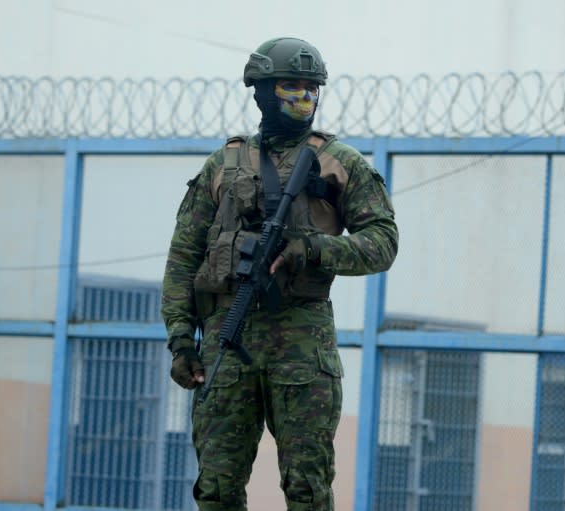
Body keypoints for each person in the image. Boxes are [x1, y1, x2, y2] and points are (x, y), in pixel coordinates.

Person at [161, 36, 398, 511]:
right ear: (262, 91)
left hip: (302, 348)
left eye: (311, 90)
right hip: (228, 340)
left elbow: (382, 243)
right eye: (291, 89)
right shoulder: (223, 164)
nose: (303, 100)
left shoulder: (340, 163)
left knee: (307, 488)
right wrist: (182, 339)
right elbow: (183, 257)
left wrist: (311, 248)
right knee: (216, 489)